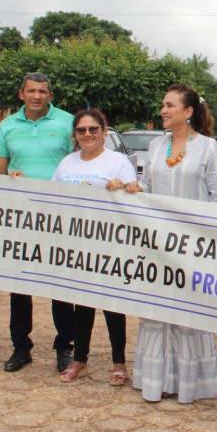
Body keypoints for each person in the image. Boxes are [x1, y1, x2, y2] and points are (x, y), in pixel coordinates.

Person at [125, 83, 217, 403]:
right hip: (156, 245)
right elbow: (146, 185)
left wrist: (211, 244)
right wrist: (127, 189)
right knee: (156, 310)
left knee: (188, 313)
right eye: (163, 105)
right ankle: (158, 381)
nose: (163, 110)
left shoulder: (209, 147)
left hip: (193, 247)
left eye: (170, 105)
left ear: (189, 112)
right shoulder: (156, 146)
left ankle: (188, 383)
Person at [0, 72, 76, 374]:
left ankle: (65, 346)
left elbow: (78, 166)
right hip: (20, 217)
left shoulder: (67, 122)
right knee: (19, 284)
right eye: (31, 91)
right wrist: (9, 182)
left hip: (60, 217)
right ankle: (20, 347)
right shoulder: (6, 126)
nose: (37, 96)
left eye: (43, 91)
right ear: (21, 94)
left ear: (50, 96)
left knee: (61, 285)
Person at [52, 108, 135, 385]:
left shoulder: (118, 161)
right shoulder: (67, 163)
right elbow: (51, 197)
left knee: (112, 305)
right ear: (75, 134)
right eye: (81, 130)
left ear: (104, 130)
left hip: (109, 242)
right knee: (82, 305)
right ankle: (80, 360)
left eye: (93, 129)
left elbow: (133, 194)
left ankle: (119, 363)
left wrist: (124, 186)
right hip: (76, 244)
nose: (87, 135)